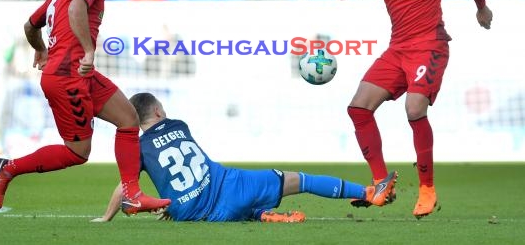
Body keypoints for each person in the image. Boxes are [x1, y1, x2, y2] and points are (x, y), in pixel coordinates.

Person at [327, 0, 493, 218]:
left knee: (414, 108)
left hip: (430, 46)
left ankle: (427, 189)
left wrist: (481, 7)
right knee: (358, 108)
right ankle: (380, 183)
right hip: (398, 49)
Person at [0, 0, 171, 215]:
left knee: (128, 119)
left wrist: (41, 48)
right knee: (77, 152)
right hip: (67, 76)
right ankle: (6, 169)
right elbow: (76, 8)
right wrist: (88, 49)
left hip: (73, 72)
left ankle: (132, 194)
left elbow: (29, 25)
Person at [92, 93, 398, 223]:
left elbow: (125, 189)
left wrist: (107, 217)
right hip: (228, 186)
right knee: (298, 180)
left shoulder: (136, 147)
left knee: (231, 210)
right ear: (159, 111)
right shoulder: (179, 125)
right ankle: (369, 193)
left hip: (194, 214)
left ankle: (263, 215)